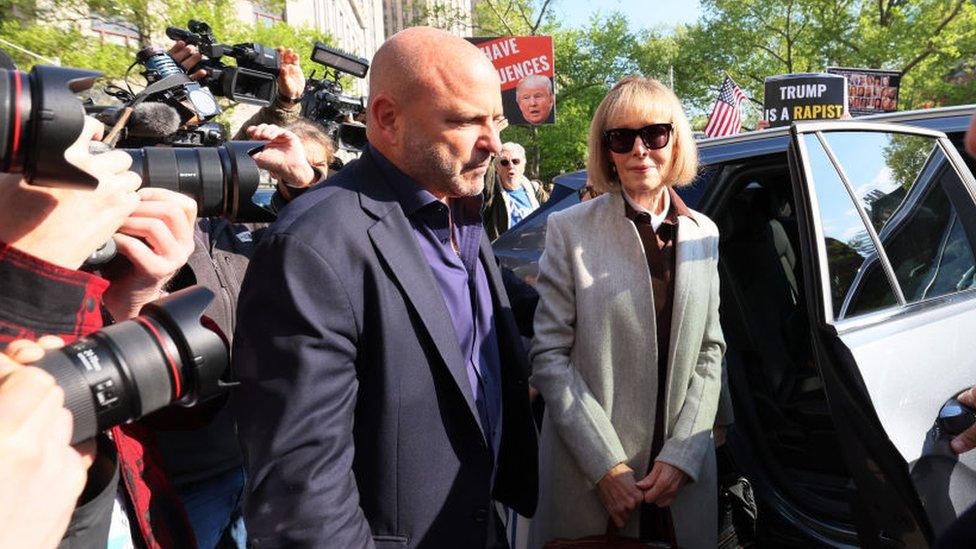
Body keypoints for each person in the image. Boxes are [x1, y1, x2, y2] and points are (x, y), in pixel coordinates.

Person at [232, 26, 538, 547]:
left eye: (497, 120)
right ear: (387, 119)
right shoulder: (311, 247)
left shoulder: (456, 209)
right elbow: (301, 493)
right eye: (466, 121)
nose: (492, 143)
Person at [528, 76, 725, 548]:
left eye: (654, 134)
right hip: (592, 478)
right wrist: (606, 466)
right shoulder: (569, 229)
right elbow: (550, 357)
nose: (640, 150)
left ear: (675, 140)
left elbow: (710, 351)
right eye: (621, 137)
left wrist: (685, 452)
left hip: (679, 481)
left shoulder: (703, 232)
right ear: (607, 151)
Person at [147, 121, 330, 549]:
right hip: (186, 467)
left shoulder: (265, 226)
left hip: (257, 455)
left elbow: (327, 222)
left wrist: (300, 178)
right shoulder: (158, 229)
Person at [168, 41, 305, 139]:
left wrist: (287, 100)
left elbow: (250, 141)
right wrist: (165, 95)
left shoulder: (218, 152)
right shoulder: (151, 138)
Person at [484, 142, 550, 240]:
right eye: (504, 162)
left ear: (523, 165)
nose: (510, 166)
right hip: (503, 252)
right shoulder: (491, 195)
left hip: (532, 250)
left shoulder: (536, 191)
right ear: (497, 168)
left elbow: (554, 211)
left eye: (515, 161)